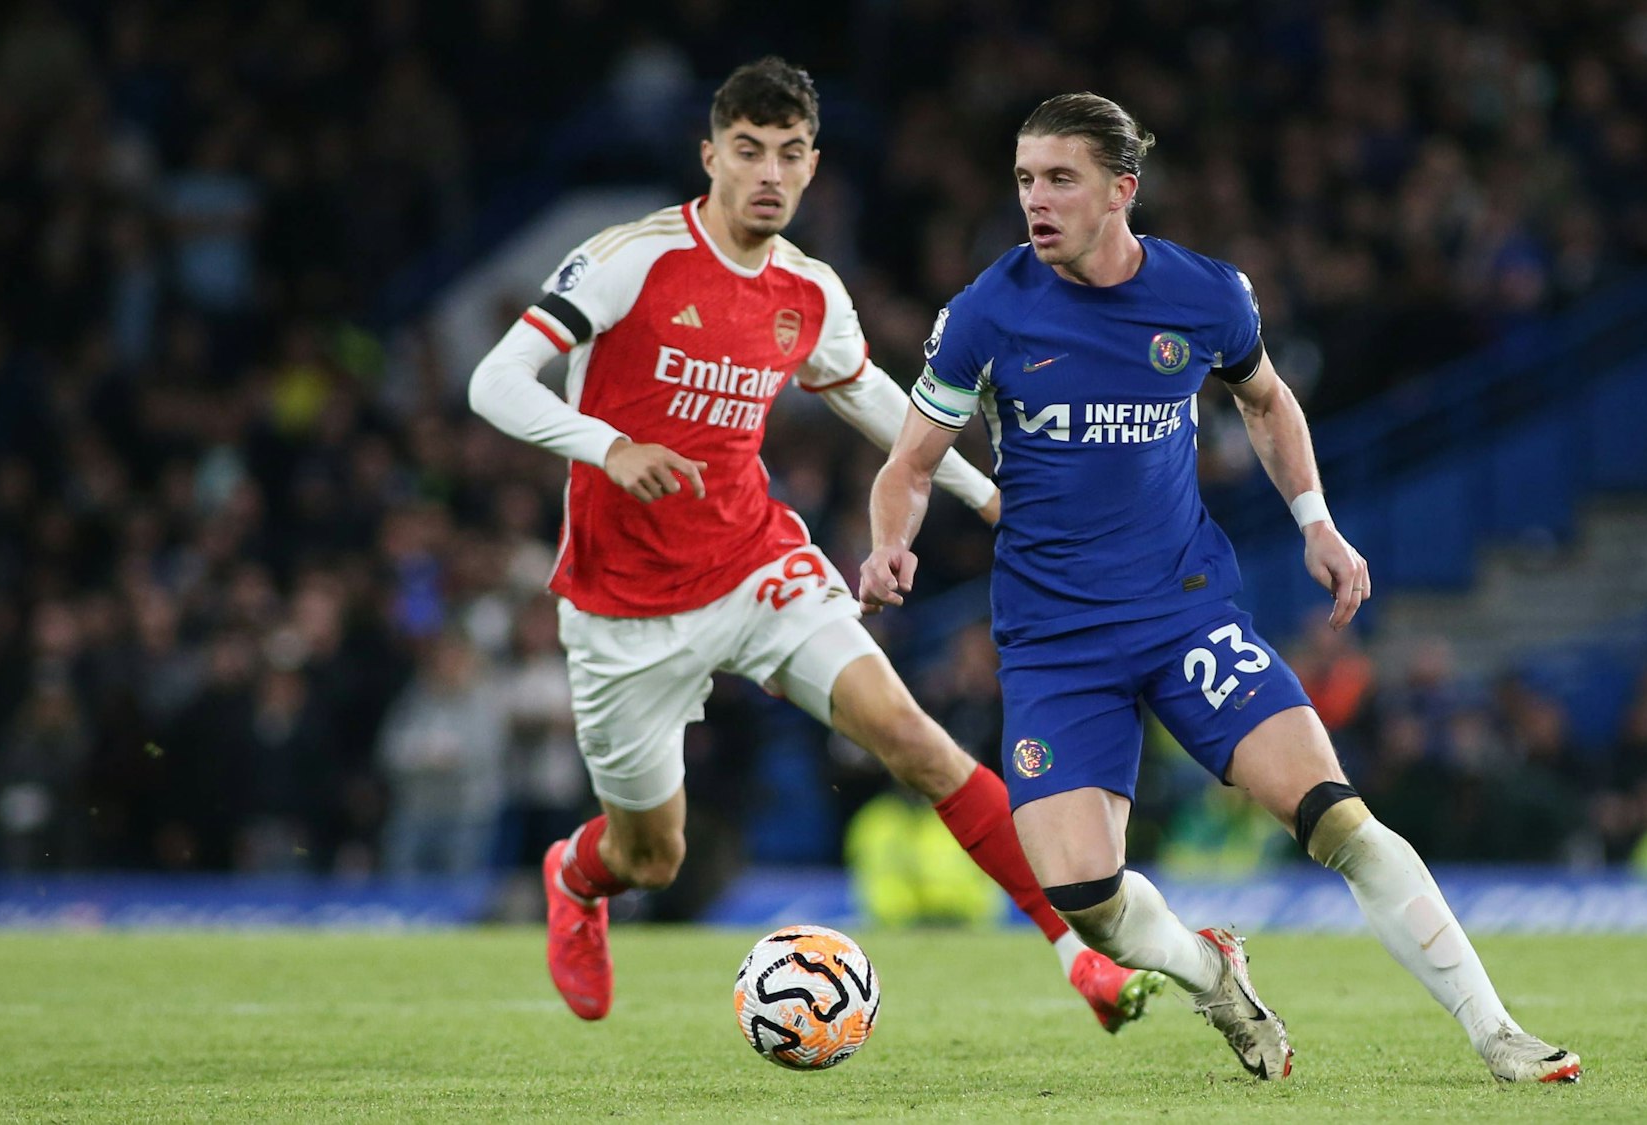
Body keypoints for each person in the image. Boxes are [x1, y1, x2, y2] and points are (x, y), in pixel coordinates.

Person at [861, 92, 1581, 1084]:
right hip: (1053, 642)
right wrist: (888, 546)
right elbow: (907, 464)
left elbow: (1266, 400)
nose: (1035, 198)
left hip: (1181, 611)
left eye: (1059, 178)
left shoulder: (1205, 296)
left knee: (1334, 816)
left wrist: (1314, 522)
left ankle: (1496, 1031)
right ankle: (1210, 971)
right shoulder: (986, 311)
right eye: (1025, 178)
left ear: (1121, 189)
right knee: (1083, 897)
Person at [466, 59, 1163, 1029]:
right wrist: (609, 445)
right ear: (710, 156)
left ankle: (1075, 952)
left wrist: (978, 492)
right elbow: (494, 383)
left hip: (756, 567)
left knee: (915, 743)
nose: (767, 174)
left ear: (811, 166)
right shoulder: (629, 259)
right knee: (649, 857)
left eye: (788, 155)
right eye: (747, 152)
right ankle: (574, 879)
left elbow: (871, 395)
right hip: (623, 607)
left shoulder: (805, 289)